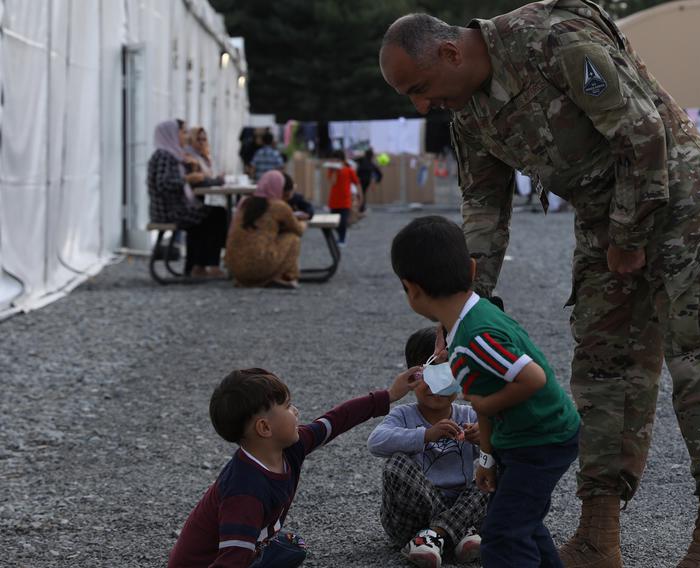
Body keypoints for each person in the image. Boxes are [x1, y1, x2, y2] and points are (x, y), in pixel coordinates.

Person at [380, 5, 700, 568]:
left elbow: (643, 130)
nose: (420, 105)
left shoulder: (552, 40)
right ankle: (598, 535)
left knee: (699, 359)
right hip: (605, 220)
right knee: (603, 368)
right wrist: (460, 311)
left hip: (679, 200)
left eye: (420, 87)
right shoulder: (467, 110)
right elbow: (484, 207)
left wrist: (628, 234)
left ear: (452, 53)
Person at [390, 216, 581, 568]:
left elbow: (533, 378)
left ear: (411, 289)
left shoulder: (475, 337)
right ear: (473, 268)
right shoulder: (470, 324)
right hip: (523, 438)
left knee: (503, 537)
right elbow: (487, 398)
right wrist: (487, 458)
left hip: (541, 440)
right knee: (520, 522)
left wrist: (485, 402)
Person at [167, 365, 420, 568]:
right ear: (264, 428)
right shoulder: (245, 492)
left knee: (292, 547)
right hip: (215, 561)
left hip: (247, 547)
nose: (296, 411)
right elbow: (232, 559)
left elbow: (336, 420)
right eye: (288, 406)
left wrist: (389, 395)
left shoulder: (288, 448)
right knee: (266, 550)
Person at [367, 327, 488, 568]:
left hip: (462, 508)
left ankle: (437, 535)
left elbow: (510, 437)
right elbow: (376, 442)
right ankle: (453, 533)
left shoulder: (470, 414)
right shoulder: (404, 415)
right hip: (411, 522)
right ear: (413, 377)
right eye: (428, 375)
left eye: (446, 375)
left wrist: (485, 437)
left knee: (499, 464)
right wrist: (425, 435)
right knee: (396, 463)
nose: (436, 386)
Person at [148, 119, 228, 278]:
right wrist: (187, 179)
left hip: (173, 208)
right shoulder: (165, 155)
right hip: (170, 211)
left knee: (210, 215)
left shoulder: (172, 154)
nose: (185, 136)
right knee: (216, 215)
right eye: (182, 132)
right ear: (171, 134)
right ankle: (205, 265)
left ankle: (196, 266)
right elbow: (163, 184)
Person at [224, 170, 306, 289]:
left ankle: (254, 279)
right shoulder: (278, 206)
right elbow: (299, 230)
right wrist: (303, 222)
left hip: (236, 270)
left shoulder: (245, 202)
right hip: (258, 267)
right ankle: (287, 276)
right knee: (293, 238)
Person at [326, 151, 361, 247]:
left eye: (335, 159)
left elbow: (356, 182)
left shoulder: (349, 170)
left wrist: (359, 195)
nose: (333, 161)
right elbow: (332, 182)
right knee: (333, 223)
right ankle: (341, 235)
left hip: (345, 200)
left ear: (341, 160)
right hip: (334, 200)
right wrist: (334, 171)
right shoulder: (331, 170)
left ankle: (342, 239)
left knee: (343, 221)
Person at [356, 148, 384, 213]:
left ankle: (360, 207)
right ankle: (361, 207)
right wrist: (377, 180)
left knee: (360, 193)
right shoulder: (371, 164)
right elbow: (379, 174)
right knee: (363, 193)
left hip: (360, 180)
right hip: (367, 180)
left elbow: (353, 160)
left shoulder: (362, 160)